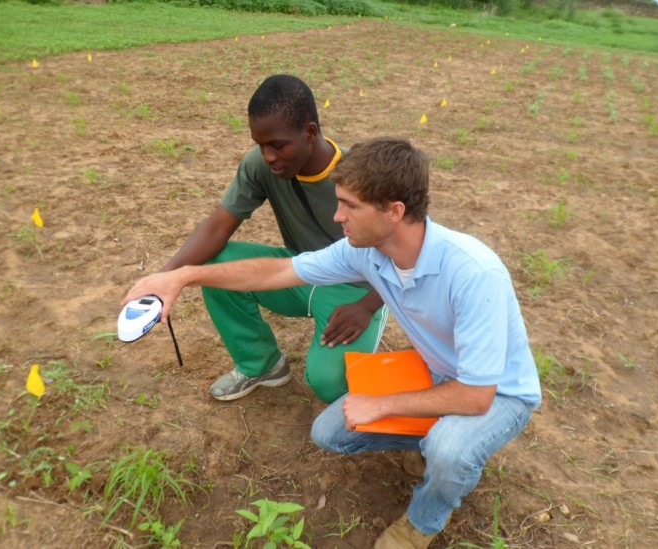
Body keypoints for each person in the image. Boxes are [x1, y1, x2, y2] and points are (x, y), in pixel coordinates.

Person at [123, 137, 542, 548]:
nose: (338, 216)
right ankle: (433, 439)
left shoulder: (473, 273)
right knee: (331, 432)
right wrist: (182, 276)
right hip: (437, 371)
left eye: (350, 206)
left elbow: (476, 395)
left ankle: (423, 521)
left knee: (449, 450)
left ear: (394, 211)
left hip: (498, 393)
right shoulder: (367, 251)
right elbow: (277, 273)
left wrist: (384, 404)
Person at [154, 74, 387, 404]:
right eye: (260, 145)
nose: (268, 157)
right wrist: (165, 278)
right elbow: (218, 227)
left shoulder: (360, 175)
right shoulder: (260, 167)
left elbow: (403, 253)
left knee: (329, 385)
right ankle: (261, 364)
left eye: (278, 145)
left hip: (359, 291)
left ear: (309, 132)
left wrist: (368, 304)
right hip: (298, 272)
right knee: (216, 263)